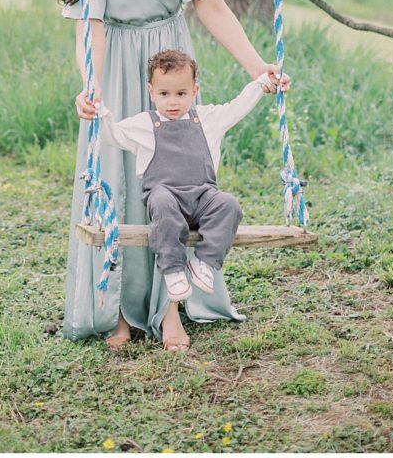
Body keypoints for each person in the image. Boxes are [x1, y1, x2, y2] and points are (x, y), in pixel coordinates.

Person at [60, 0, 288, 351]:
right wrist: (92, 87)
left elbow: (212, 6)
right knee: (119, 180)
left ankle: (169, 311)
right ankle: (118, 306)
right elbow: (90, 29)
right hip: (118, 67)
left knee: (177, 184)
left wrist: (257, 67)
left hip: (170, 64)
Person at [88, 49, 272, 347]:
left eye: (181, 93)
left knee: (229, 204)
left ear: (195, 91)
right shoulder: (145, 124)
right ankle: (173, 270)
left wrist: (260, 83)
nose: (172, 102)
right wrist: (100, 113)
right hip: (166, 199)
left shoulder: (207, 119)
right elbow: (112, 135)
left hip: (202, 197)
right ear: (151, 92)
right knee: (161, 201)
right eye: (164, 93)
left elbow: (237, 107)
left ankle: (204, 264)